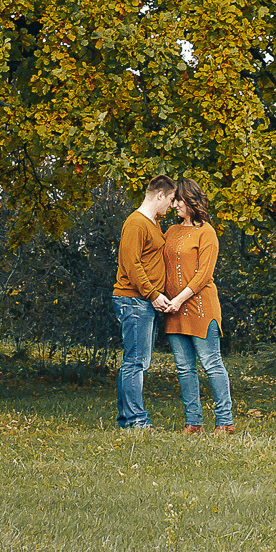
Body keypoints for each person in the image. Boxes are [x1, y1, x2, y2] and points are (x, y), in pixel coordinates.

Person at [161, 178, 233, 434]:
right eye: (173, 200)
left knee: (211, 363)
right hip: (172, 311)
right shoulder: (170, 231)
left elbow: (204, 274)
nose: (175, 205)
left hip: (201, 309)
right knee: (183, 367)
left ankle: (225, 422)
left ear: (191, 200)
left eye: (179, 200)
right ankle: (193, 422)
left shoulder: (207, 232)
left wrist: (179, 299)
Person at [112, 175, 178, 430]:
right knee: (136, 362)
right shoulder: (136, 224)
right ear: (159, 195)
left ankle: (127, 419)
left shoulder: (153, 223)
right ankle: (136, 420)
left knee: (136, 361)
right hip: (134, 300)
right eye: (171, 200)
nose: (172, 206)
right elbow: (132, 265)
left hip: (143, 301)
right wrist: (152, 294)